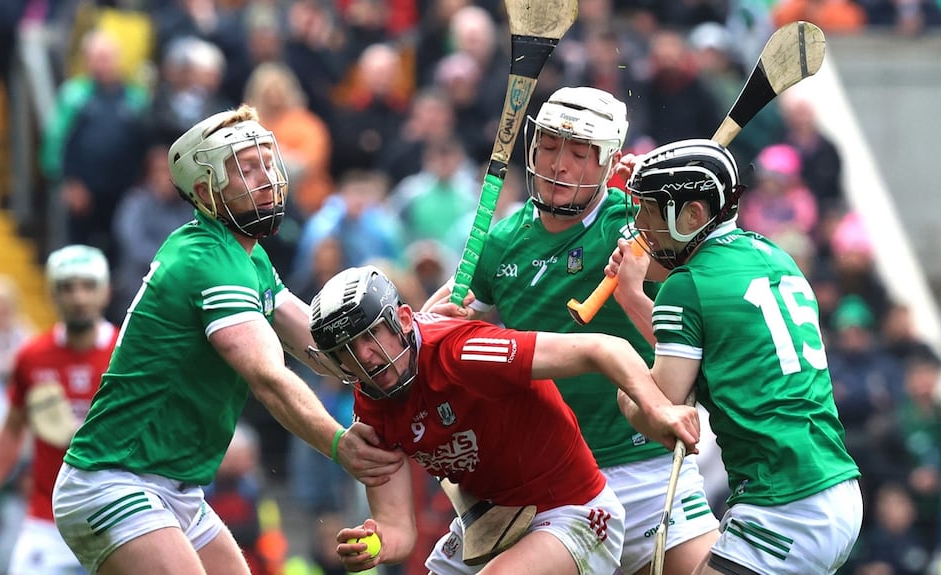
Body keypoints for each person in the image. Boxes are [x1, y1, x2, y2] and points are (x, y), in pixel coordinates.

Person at [50, 105, 404, 575]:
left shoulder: (248, 259)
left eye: (266, 161)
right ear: (205, 191)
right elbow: (268, 377)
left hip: (176, 487)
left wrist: (410, 343)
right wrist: (340, 445)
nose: (267, 177)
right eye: (246, 167)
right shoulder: (208, 258)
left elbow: (320, 344)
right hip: (114, 478)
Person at [422, 86, 720, 575]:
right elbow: (442, 322)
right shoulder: (501, 242)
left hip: (641, 462)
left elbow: (706, 247)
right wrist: (442, 321)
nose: (558, 164)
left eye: (579, 153)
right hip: (547, 476)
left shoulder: (634, 220)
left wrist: (666, 200)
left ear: (609, 163)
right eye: (549, 147)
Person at [307, 265, 701, 574]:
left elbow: (603, 348)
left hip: (574, 513)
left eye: (370, 336)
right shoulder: (372, 407)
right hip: (491, 522)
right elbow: (397, 530)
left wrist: (657, 408)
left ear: (404, 319)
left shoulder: (463, 353)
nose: (366, 358)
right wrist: (374, 545)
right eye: (347, 351)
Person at [610, 138, 863, 575]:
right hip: (836, 488)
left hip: (784, 505)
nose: (641, 228)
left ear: (693, 215)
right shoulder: (773, 254)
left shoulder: (685, 286)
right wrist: (633, 297)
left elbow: (661, 414)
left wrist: (621, 382)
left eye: (650, 211)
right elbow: (704, 341)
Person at [0, 245, 116, 575]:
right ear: (51, 293)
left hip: (116, 518)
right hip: (48, 521)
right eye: (67, 287)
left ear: (106, 292)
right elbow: (11, 428)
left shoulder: (128, 356)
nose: (78, 297)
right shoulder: (32, 357)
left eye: (88, 286)